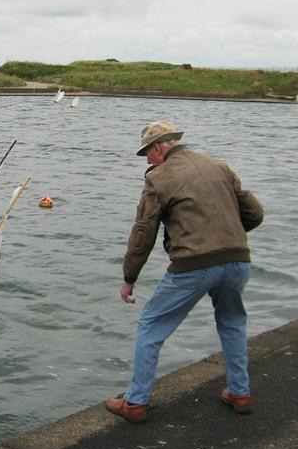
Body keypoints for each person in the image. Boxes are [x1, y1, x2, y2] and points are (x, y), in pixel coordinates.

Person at [105, 121, 264, 423]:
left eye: (147, 154)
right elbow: (255, 214)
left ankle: (135, 402)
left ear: (159, 147)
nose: (147, 161)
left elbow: (143, 234)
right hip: (238, 262)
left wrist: (129, 279)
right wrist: (226, 236)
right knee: (232, 323)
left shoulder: (160, 178)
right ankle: (240, 393)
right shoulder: (219, 166)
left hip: (193, 265)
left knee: (151, 325)